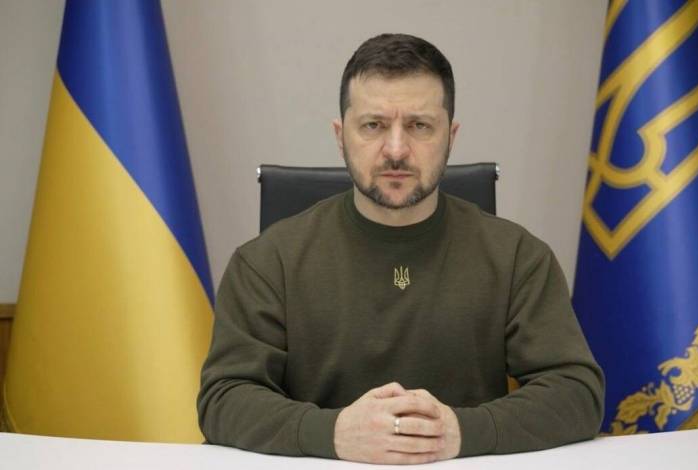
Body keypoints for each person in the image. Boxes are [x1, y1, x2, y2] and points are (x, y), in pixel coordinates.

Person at [197, 33, 604, 465]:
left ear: (451, 136)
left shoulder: (517, 256)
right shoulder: (266, 262)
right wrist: (333, 434)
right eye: (373, 125)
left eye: (419, 126)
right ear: (341, 136)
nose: (395, 150)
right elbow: (223, 398)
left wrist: (459, 432)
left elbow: (577, 392)